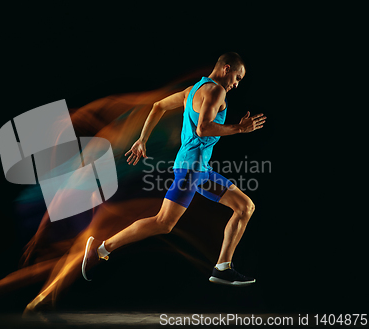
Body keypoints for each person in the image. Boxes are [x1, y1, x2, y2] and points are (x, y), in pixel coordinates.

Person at [82, 52, 266, 286]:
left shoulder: (192, 90)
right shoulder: (216, 90)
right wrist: (240, 129)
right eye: (237, 77)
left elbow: (158, 106)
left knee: (244, 206)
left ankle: (222, 267)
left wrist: (142, 139)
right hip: (192, 169)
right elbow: (203, 129)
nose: (236, 84)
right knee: (163, 223)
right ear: (226, 68)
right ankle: (100, 249)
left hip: (198, 168)